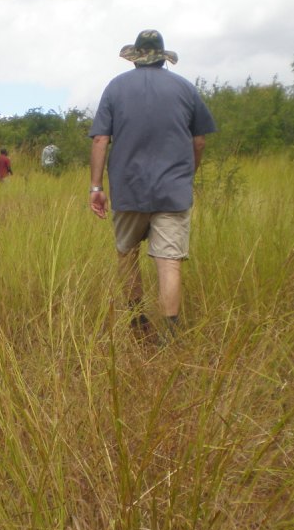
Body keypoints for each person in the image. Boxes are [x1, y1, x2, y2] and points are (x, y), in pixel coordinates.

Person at [88, 29, 217, 341]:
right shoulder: (185, 88)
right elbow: (198, 141)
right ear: (162, 58)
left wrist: (96, 187)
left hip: (128, 189)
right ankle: (170, 335)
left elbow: (101, 138)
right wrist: (186, 176)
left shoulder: (115, 88)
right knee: (169, 262)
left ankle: (138, 326)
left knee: (126, 253)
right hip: (173, 191)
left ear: (135, 58)